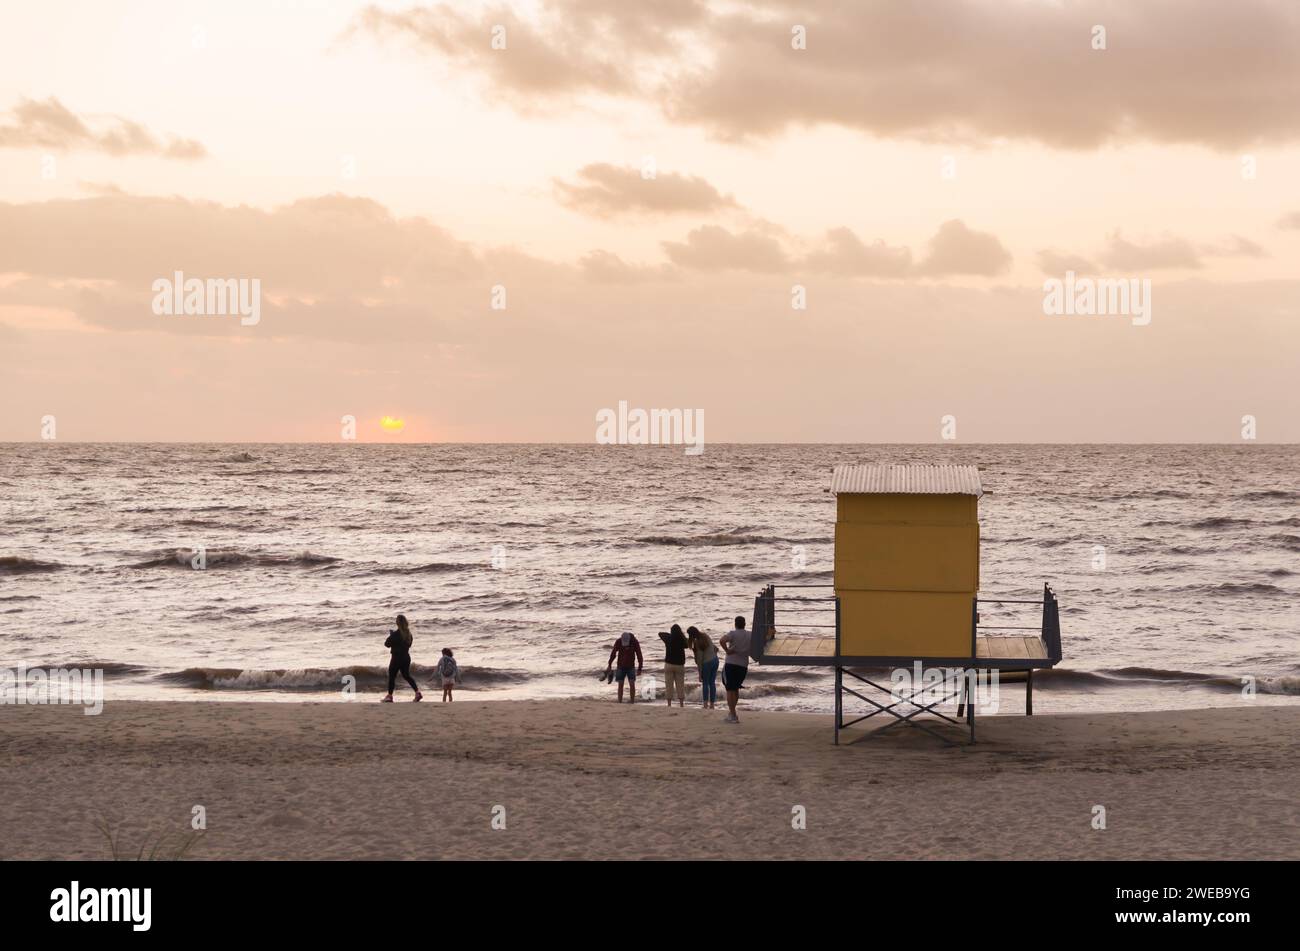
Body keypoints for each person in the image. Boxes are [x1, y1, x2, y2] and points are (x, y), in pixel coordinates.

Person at [718, 616, 751, 723]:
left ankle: (732, 714)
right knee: (735, 689)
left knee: (729, 690)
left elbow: (722, 640)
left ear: (735, 624)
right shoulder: (749, 635)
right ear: (744, 624)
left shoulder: (733, 633)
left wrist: (727, 650)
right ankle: (732, 713)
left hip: (731, 664)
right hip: (743, 665)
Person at [383, 614, 422, 702]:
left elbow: (387, 644)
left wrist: (391, 635)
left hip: (396, 658)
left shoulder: (396, 634)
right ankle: (417, 692)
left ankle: (389, 696)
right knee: (407, 675)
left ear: (397, 623)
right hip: (406, 657)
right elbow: (409, 645)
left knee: (392, 677)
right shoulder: (409, 634)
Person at [605, 631, 643, 703]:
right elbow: (613, 653)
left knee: (632, 683)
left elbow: (639, 655)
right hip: (620, 666)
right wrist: (609, 664)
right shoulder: (619, 641)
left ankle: (632, 701)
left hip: (631, 666)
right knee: (620, 684)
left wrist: (640, 668)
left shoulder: (634, 642)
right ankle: (620, 702)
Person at [687, 626, 719, 709]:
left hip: (707, 663)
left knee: (705, 683)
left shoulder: (698, 643)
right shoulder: (705, 636)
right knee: (712, 683)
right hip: (715, 660)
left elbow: (700, 660)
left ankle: (705, 704)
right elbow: (715, 648)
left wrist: (700, 673)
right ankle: (712, 704)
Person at [658, 623, 688, 708]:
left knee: (668, 685)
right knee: (680, 685)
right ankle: (681, 704)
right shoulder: (682, 640)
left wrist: (670, 635)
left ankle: (669, 704)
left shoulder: (668, 639)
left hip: (669, 664)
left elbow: (660, 633)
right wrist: (681, 635)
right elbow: (688, 644)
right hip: (679, 665)